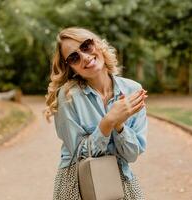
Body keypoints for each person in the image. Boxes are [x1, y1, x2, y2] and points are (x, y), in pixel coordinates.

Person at [43, 27, 148, 200]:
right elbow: (78, 154)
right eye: (74, 57)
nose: (84, 57)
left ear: (97, 45)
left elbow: (132, 155)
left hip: (120, 177)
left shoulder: (132, 90)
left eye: (86, 46)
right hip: (77, 183)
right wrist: (107, 123)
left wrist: (120, 126)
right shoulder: (68, 97)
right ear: (70, 67)